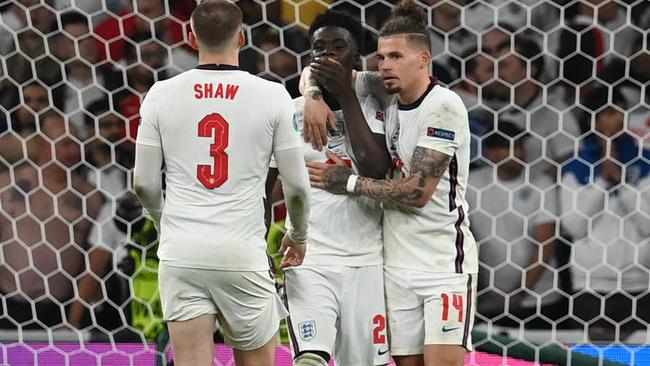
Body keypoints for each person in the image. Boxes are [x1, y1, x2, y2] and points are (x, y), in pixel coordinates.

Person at [132, 1, 310, 365]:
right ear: (242, 37)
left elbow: (144, 183)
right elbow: (297, 186)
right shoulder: (272, 94)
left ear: (191, 37)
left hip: (182, 253)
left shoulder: (161, 94)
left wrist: (164, 221)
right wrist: (299, 234)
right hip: (241, 252)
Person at [304, 1, 477, 365]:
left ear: (423, 59)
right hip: (394, 265)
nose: (384, 66)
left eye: (396, 57)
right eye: (381, 57)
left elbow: (417, 192)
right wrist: (312, 98)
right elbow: (321, 71)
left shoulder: (444, 107)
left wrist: (348, 182)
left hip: (444, 264)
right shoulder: (383, 90)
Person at [270, 9, 391, 366]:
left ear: (356, 56)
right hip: (310, 259)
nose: (328, 56)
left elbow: (375, 167)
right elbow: (266, 190)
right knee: (310, 359)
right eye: (319, 48)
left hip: (366, 261)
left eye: (339, 47)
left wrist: (344, 97)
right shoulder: (289, 113)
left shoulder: (375, 104)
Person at [560, 86, 650, 335]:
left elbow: (647, 224)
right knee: (588, 359)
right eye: (609, 112)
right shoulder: (576, 167)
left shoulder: (646, 163)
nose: (618, 118)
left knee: (637, 360)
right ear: (593, 119)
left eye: (622, 111)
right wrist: (602, 182)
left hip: (639, 284)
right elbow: (574, 227)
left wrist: (621, 181)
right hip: (590, 284)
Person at [467, 121, 565, 328]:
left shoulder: (541, 184)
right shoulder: (472, 185)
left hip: (537, 300)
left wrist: (519, 293)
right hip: (485, 300)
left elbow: (545, 245)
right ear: (492, 152)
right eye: (510, 147)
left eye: (519, 146)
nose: (518, 153)